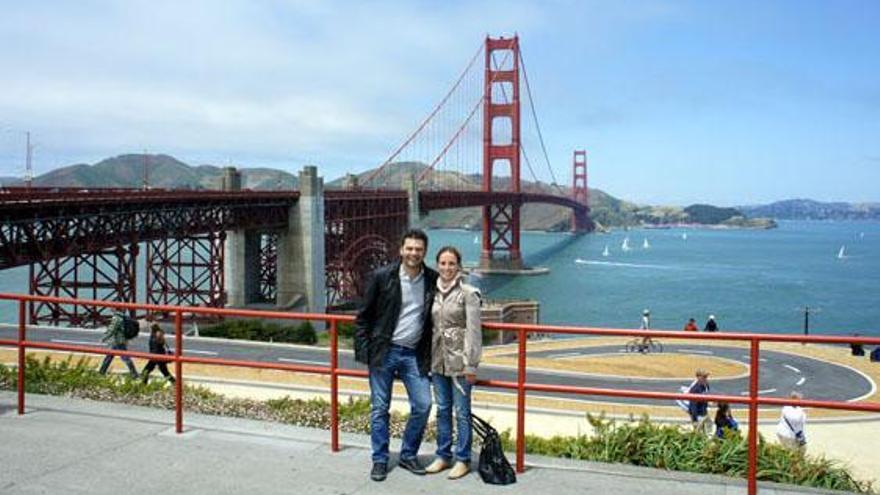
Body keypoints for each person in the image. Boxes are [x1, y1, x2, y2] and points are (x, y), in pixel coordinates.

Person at [355, 229, 439, 482]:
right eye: (410, 248)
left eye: (419, 249)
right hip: (384, 351)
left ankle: (407, 454)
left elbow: (453, 294)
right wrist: (366, 353)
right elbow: (363, 318)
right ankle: (380, 460)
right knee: (380, 408)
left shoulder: (432, 279)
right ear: (401, 250)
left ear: (424, 252)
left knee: (423, 404)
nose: (414, 253)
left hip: (414, 354)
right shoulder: (382, 277)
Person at [424, 246, 482, 480]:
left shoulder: (469, 293)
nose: (447, 268)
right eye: (443, 263)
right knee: (443, 410)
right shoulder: (433, 291)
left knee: (462, 412)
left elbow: (474, 331)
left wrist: (471, 364)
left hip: (460, 361)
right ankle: (443, 455)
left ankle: (463, 459)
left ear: (459, 266)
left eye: (452, 263)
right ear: (437, 265)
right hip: (437, 360)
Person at [98, 311, 139, 378]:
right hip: (120, 340)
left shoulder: (117, 318)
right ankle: (102, 372)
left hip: (118, 341)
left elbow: (112, 329)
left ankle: (134, 374)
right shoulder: (124, 316)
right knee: (109, 356)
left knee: (125, 358)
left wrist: (104, 338)